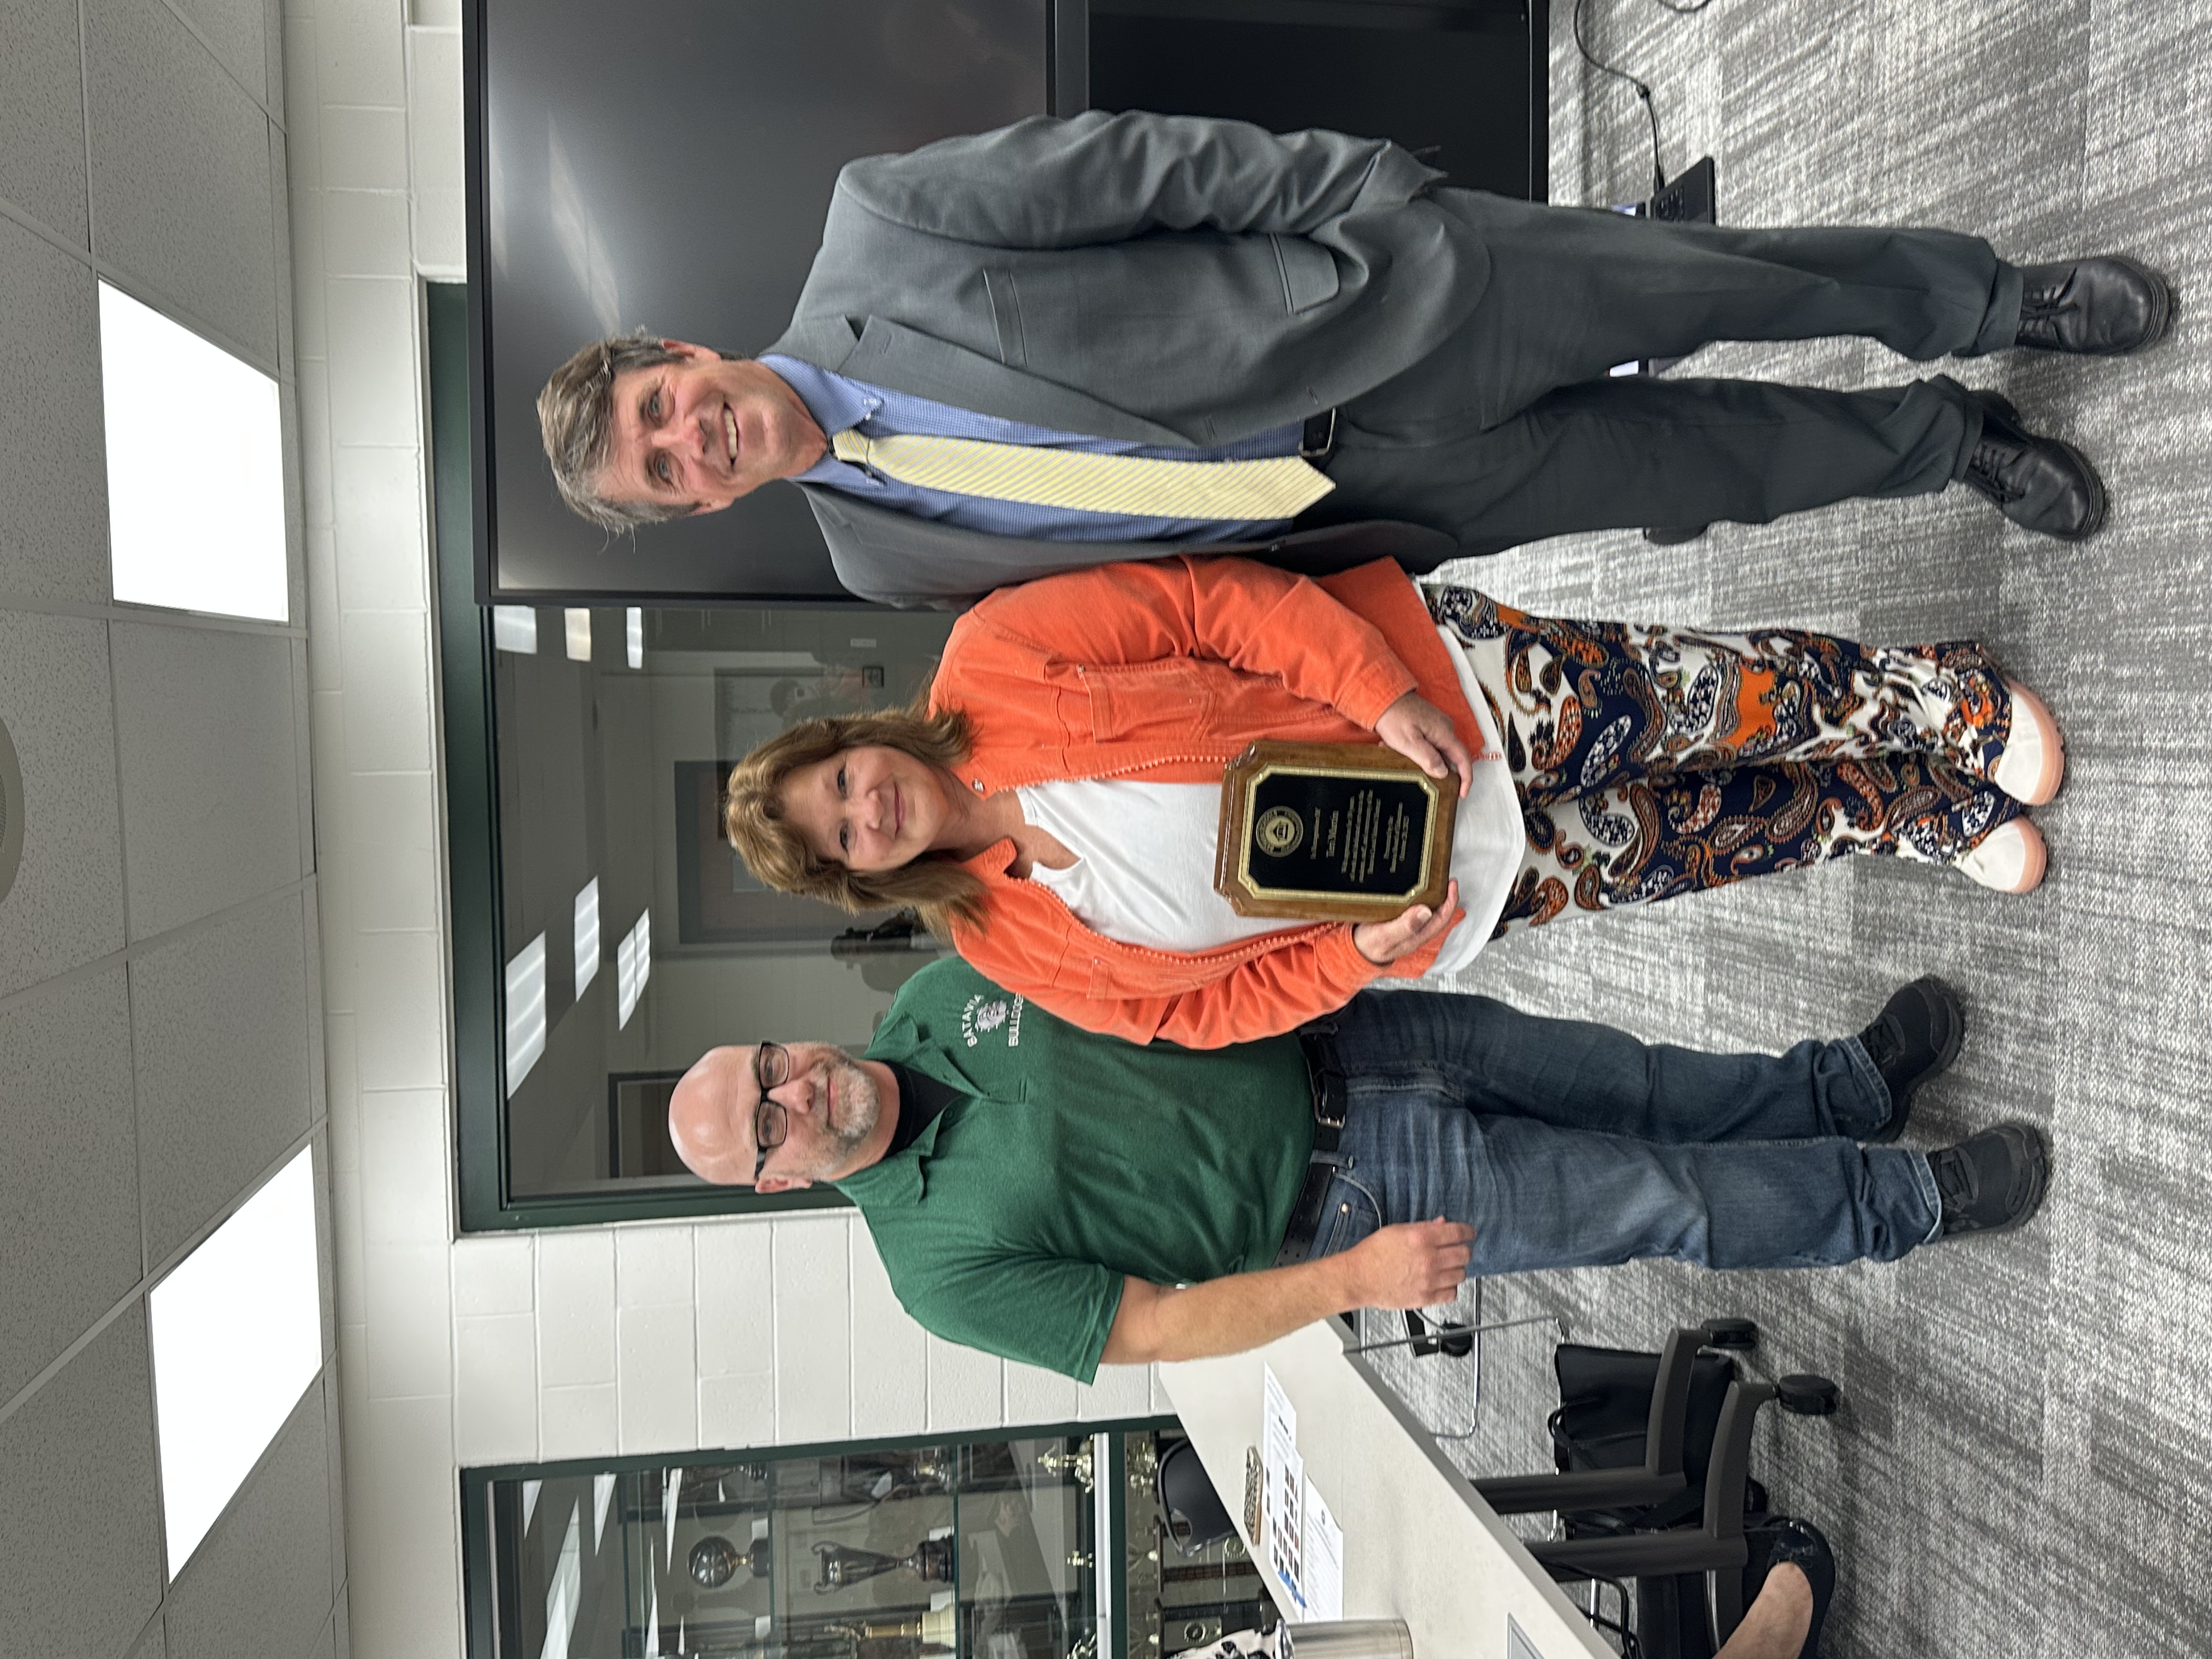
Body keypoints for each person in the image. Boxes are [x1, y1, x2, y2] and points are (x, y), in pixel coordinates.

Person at [534, 111, 2172, 607]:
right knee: (1707, 475)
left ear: (679, 352)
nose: (698, 441)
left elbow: (1139, 170)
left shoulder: (874, 217)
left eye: (666, 409)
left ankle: (1991, 299)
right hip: (1368, 496)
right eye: (667, 473)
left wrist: (1366, 191)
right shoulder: (877, 564)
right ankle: (1953, 444)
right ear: (688, 511)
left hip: (1385, 299)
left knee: (1713, 280)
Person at [720, 553, 2062, 1047]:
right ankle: (1911, 813)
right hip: (1433, 890)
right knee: (1704, 839)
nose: (866, 810)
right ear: (858, 876)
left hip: (1439, 689)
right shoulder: (994, 939)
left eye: (838, 781)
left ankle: (1939, 700)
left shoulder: (990, 661)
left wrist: (1372, 693)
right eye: (840, 836)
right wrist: (1349, 961)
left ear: (852, 740)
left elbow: (1211, 605)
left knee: (1710, 703)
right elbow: (1196, 1014)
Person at [664, 962, 2047, 1384]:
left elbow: (1140, 955)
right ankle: (1909, 1205)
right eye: (768, 1127)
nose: (796, 1092)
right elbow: (1149, 1324)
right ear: (778, 1185)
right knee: (1656, 1197)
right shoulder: (933, 1270)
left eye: (770, 1064)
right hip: (1351, 1203)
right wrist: (1350, 1283)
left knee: (1631, 1078)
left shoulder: (926, 997)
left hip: (1358, 1035)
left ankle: (1841, 1090)